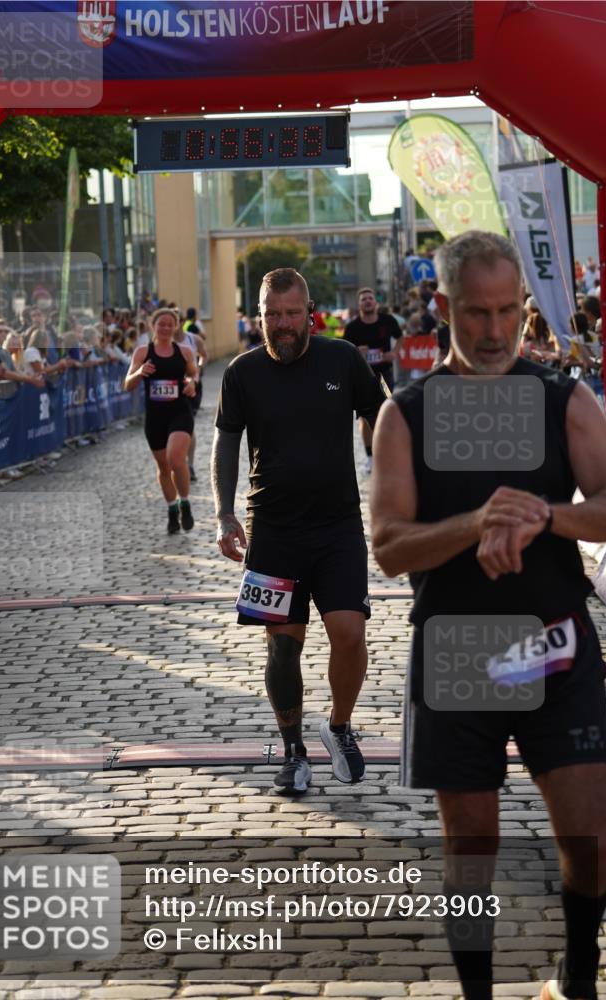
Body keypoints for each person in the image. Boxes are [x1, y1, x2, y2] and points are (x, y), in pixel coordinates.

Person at [370, 230, 606, 1000]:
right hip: (457, 650)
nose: (494, 329)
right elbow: (388, 546)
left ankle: (577, 975)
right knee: (471, 844)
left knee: (590, 834)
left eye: (508, 310)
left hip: (553, 643)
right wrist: (475, 522)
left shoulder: (563, 399)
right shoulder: (405, 414)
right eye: (477, 312)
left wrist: (543, 516)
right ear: (445, 307)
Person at [211, 267, 385, 795]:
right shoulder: (242, 372)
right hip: (273, 532)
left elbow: (385, 416)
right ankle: (293, 751)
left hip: (338, 526)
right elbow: (225, 442)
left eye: (291, 314)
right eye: (273, 315)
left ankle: (340, 727)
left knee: (349, 633)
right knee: (282, 649)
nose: (283, 324)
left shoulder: (342, 358)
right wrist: (223, 513)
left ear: (310, 314)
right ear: (259, 316)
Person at [125, 307, 198, 534]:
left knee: (176, 458)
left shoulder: (184, 351)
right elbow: (127, 384)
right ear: (153, 325)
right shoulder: (142, 352)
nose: (165, 328)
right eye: (161, 324)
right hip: (155, 417)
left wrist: (192, 383)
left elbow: (194, 373)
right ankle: (172, 509)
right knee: (163, 467)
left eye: (170, 324)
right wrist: (140, 372)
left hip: (180, 412)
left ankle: (185, 503)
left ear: (175, 326)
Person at [343, 287, 401, 472]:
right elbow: (345, 352)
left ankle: (387, 454)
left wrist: (394, 353)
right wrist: (357, 353)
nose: (367, 301)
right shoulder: (352, 327)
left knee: (388, 412)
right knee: (365, 419)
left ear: (375, 302)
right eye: (363, 299)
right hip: (363, 377)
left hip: (384, 376)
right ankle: (370, 457)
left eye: (370, 298)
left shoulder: (387, 321)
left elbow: (401, 337)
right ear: (359, 304)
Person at [176, 309, 208, 482]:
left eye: (178, 321)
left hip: (191, 385)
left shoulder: (193, 339)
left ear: (182, 322)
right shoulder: (163, 340)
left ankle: (190, 464)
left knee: (188, 425)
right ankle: (176, 461)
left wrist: (199, 369)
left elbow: (204, 355)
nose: (174, 325)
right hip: (171, 386)